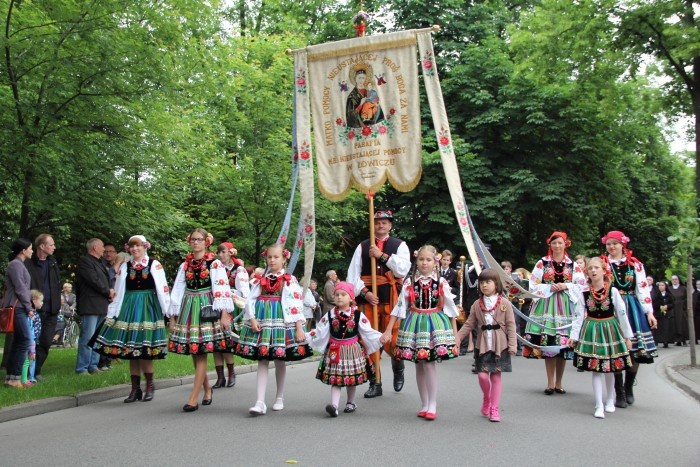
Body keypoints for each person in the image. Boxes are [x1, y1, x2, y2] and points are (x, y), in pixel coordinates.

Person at [230, 243, 311, 416]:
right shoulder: (260, 279)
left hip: (282, 320)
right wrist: (251, 319)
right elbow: (250, 300)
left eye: (276, 257)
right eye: (269, 257)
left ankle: (279, 397)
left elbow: (295, 303)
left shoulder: (289, 280)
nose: (272, 260)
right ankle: (259, 402)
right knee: (262, 358)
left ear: (284, 259)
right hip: (262, 319)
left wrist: (298, 327)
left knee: (280, 358)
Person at [380, 245, 459, 421]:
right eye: (421, 259)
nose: (424, 263)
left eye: (428, 259)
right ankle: (424, 404)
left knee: (429, 363)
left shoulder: (441, 282)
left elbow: (451, 309)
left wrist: (456, 335)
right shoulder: (410, 282)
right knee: (419, 364)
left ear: (435, 262)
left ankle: (432, 403)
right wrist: (387, 330)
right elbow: (399, 308)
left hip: (434, 322)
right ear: (416, 260)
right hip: (415, 322)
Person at [92, 235, 170, 402]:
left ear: (145, 247)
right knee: (131, 348)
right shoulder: (126, 266)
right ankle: (135, 389)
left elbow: (162, 289)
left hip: (148, 307)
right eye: (132, 247)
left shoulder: (154, 264)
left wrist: (166, 311)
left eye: (138, 246)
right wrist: (113, 312)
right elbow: (119, 290)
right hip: (129, 306)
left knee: (145, 348)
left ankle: (149, 385)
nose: (135, 249)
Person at [167, 228, 234, 412]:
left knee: (201, 350)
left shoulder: (214, 264)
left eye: (199, 239)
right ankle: (207, 389)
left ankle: (193, 398)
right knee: (195, 350)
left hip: (206, 307)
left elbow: (222, 288)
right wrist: (172, 316)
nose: (195, 242)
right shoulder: (185, 265)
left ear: (206, 242)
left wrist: (224, 314)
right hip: (189, 306)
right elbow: (178, 290)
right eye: (193, 239)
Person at [347, 209, 411, 397]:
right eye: (377, 222)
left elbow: (403, 270)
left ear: (390, 225)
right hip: (369, 300)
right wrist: (365, 293)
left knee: (394, 339)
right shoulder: (362, 246)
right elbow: (353, 275)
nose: (380, 225)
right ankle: (376, 382)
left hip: (392, 297)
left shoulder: (400, 245)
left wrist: (382, 255)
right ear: (372, 225)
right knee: (371, 339)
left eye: (384, 222)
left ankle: (398, 368)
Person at [305, 281, 382, 417]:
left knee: (350, 378)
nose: (339, 297)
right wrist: (306, 336)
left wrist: (380, 338)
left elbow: (367, 331)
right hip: (335, 350)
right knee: (336, 379)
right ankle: (334, 406)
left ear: (351, 298)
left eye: (343, 294)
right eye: (337, 294)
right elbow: (320, 331)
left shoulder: (358, 315)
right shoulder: (330, 315)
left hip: (352, 350)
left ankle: (350, 402)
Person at [569, 257, 633, 419]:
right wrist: (573, 336)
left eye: (597, 268)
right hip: (591, 330)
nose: (593, 271)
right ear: (587, 273)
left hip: (610, 329)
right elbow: (578, 316)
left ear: (604, 271)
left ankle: (610, 399)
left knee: (610, 368)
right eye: (590, 268)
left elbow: (622, 313)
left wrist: (627, 336)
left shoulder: (612, 291)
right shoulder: (584, 293)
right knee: (596, 368)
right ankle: (599, 404)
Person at [523, 231, 586, 395]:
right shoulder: (542, 263)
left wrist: (566, 286)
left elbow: (581, 285)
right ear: (550, 245)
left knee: (562, 344)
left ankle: (559, 382)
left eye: (560, 243)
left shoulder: (573, 265)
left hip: (565, 307)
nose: (557, 246)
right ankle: (550, 382)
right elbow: (533, 284)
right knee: (550, 344)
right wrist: (548, 287)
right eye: (554, 243)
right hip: (547, 305)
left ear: (566, 244)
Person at [602, 230, 657, 408]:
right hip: (611, 307)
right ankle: (619, 391)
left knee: (635, 350)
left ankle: (629, 386)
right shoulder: (603, 264)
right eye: (609, 244)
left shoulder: (635, 265)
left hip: (632, 306)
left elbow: (643, 289)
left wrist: (649, 312)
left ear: (622, 245)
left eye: (615, 243)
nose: (611, 247)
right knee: (616, 349)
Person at [456, 268, 517, 422]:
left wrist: (513, 345)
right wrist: (457, 338)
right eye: (482, 282)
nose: (484, 285)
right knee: (483, 376)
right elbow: (469, 324)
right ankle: (487, 397)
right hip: (483, 344)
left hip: (499, 345)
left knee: (496, 376)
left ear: (496, 284)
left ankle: (494, 408)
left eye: (488, 282)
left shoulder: (505, 303)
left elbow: (511, 325)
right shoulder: (477, 304)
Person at [23, 233, 61, 380]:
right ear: (42, 246)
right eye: (51, 244)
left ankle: (36, 371)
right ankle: (25, 373)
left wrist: (57, 303)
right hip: (34, 310)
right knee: (29, 341)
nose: (54, 247)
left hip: (51, 309)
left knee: (45, 342)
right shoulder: (29, 263)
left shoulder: (53, 263)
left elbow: (57, 284)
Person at [212, 241, 249, 389]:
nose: (220, 255)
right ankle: (220, 376)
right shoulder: (214, 268)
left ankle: (231, 373)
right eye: (219, 252)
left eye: (223, 252)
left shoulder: (238, 270)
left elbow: (244, 291)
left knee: (226, 342)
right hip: (217, 305)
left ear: (230, 253)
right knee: (216, 343)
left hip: (231, 306)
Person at [75, 238, 114, 375]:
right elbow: (93, 280)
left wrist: (110, 290)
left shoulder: (100, 263)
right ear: (95, 248)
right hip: (90, 304)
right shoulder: (85, 262)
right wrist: (107, 290)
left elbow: (105, 279)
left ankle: (93, 365)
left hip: (101, 304)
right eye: (102, 246)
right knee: (88, 337)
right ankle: (82, 367)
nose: (104, 249)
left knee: (98, 337)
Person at [4, 239, 34, 388]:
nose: (32, 251)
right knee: (25, 341)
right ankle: (15, 378)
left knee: (18, 342)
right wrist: (29, 307)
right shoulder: (16, 265)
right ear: (23, 250)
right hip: (18, 307)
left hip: (19, 306)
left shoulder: (18, 265)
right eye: (30, 249)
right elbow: (20, 288)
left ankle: (10, 378)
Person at [346, 63, 385, 128]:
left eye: (363, 78)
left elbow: (376, 105)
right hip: (359, 124)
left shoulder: (369, 92)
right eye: (359, 78)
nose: (361, 80)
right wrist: (361, 104)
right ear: (355, 79)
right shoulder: (352, 96)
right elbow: (350, 116)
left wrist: (376, 104)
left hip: (373, 121)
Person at [22, 290, 44, 387]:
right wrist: (32, 346)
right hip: (30, 342)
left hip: (33, 341)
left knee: (30, 360)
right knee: (28, 360)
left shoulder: (33, 314)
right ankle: (26, 379)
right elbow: (30, 331)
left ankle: (30, 378)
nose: (42, 303)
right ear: (34, 301)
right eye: (41, 300)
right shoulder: (30, 315)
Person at [652, 281, 674, 348]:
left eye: (662, 285)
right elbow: (653, 304)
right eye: (660, 285)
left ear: (665, 286)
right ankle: (656, 341)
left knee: (666, 328)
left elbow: (672, 303)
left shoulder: (669, 295)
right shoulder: (656, 294)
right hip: (658, 313)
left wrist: (667, 306)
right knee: (658, 328)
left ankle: (666, 341)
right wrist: (660, 306)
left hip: (667, 314)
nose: (661, 287)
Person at [669, 275, 688, 346]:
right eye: (673, 279)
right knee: (674, 324)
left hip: (681, 309)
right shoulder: (669, 288)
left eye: (676, 279)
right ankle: (677, 340)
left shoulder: (683, 288)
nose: (674, 281)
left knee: (682, 324)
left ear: (678, 280)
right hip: (672, 308)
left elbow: (687, 298)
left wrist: (684, 305)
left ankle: (684, 340)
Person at [694, 280, 700, 345]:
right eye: (698, 284)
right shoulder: (695, 293)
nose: (699, 285)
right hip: (697, 312)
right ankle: (696, 339)